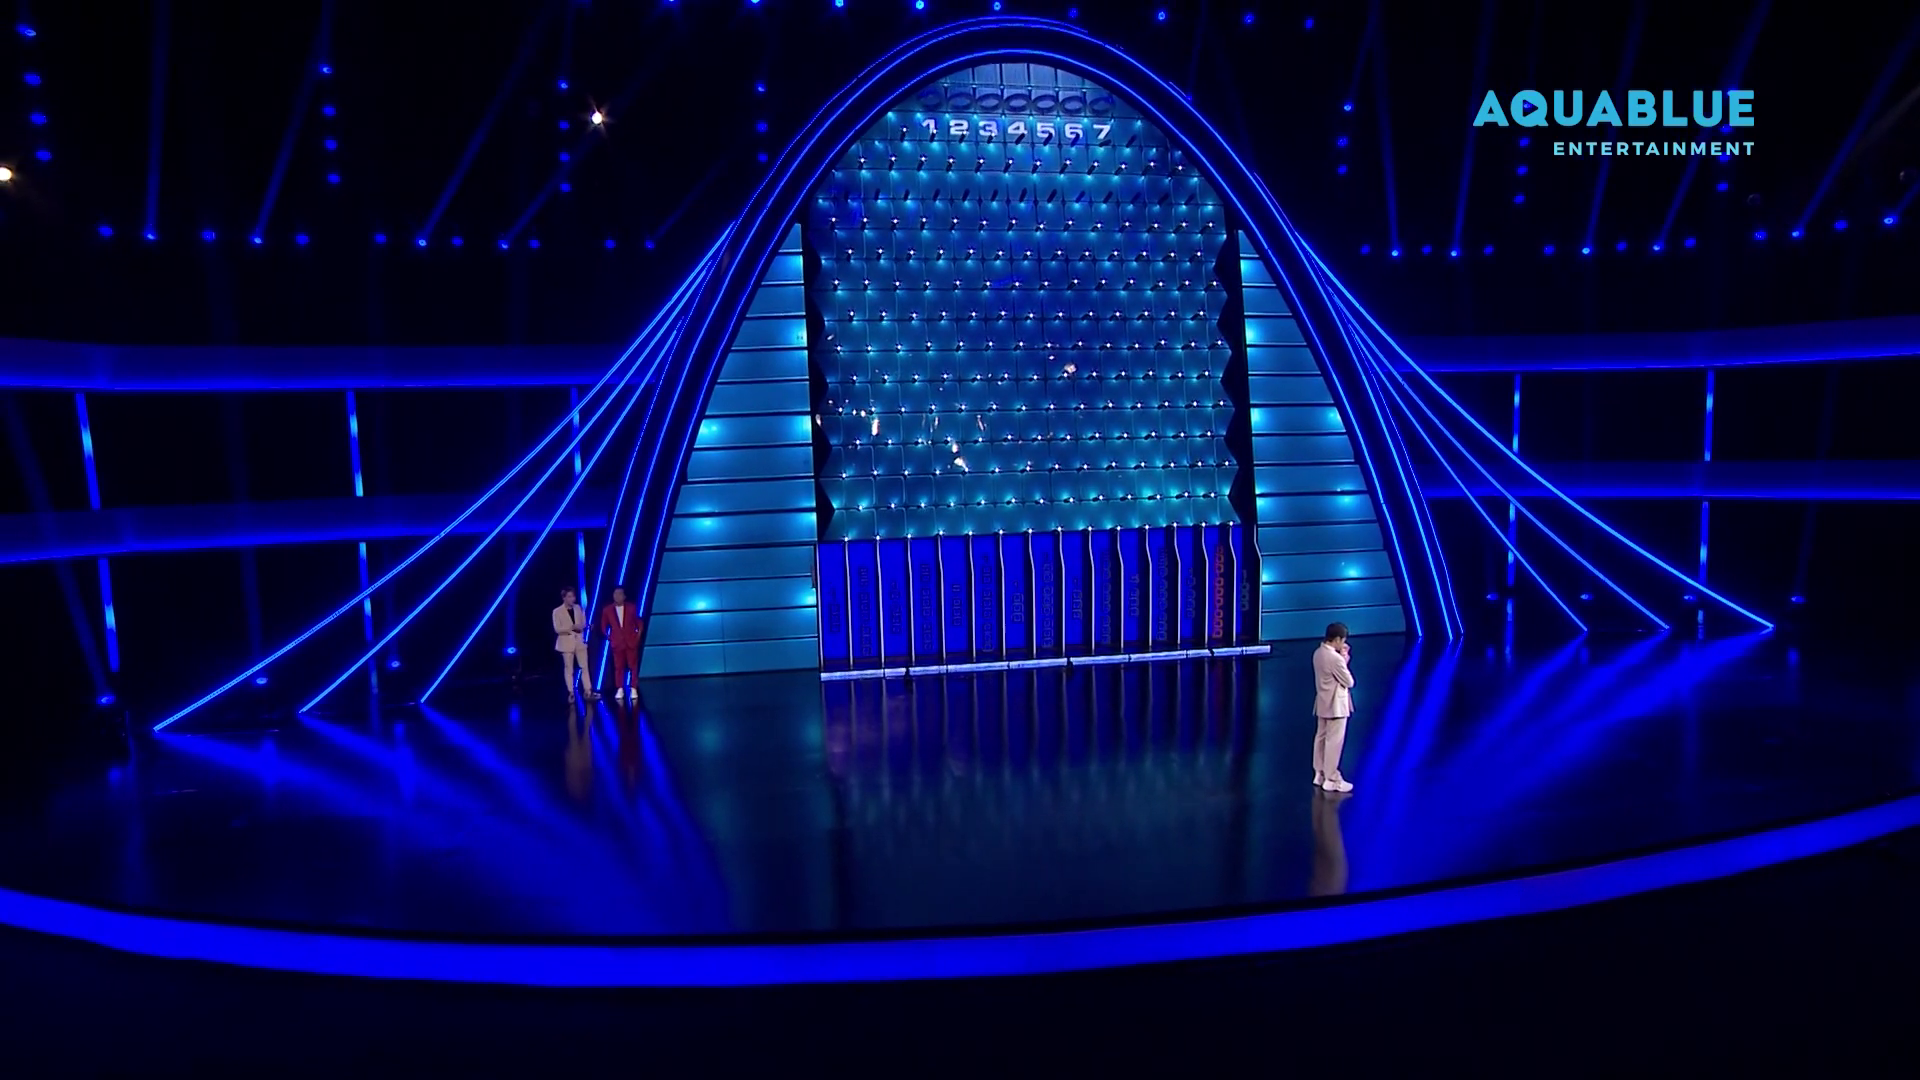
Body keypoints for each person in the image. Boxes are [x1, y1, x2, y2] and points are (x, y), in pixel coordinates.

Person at [1311, 621, 1355, 793]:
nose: (1343, 643)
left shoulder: (1318, 653)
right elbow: (1349, 681)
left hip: (1322, 702)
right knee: (1334, 742)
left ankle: (1319, 773)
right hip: (1336, 706)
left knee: (1321, 738)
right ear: (1336, 639)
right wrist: (1344, 659)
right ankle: (1332, 778)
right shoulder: (1335, 659)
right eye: (1342, 640)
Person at [551, 587, 599, 703]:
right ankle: (571, 692)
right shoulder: (557, 611)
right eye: (569, 597)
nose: (572, 599)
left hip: (579, 641)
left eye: (573, 596)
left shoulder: (578, 608)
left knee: (584, 667)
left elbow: (583, 623)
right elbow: (557, 629)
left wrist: (585, 626)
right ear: (564, 598)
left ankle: (588, 691)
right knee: (569, 669)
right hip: (566, 642)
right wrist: (571, 627)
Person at [599, 585, 644, 701]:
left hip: (630, 641)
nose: (617, 596)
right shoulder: (607, 610)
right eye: (615, 594)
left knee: (633, 666)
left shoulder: (631, 607)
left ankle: (633, 688)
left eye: (620, 594)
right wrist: (609, 637)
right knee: (618, 667)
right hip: (617, 643)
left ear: (624, 596)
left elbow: (638, 622)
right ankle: (619, 688)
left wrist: (637, 636)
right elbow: (603, 626)